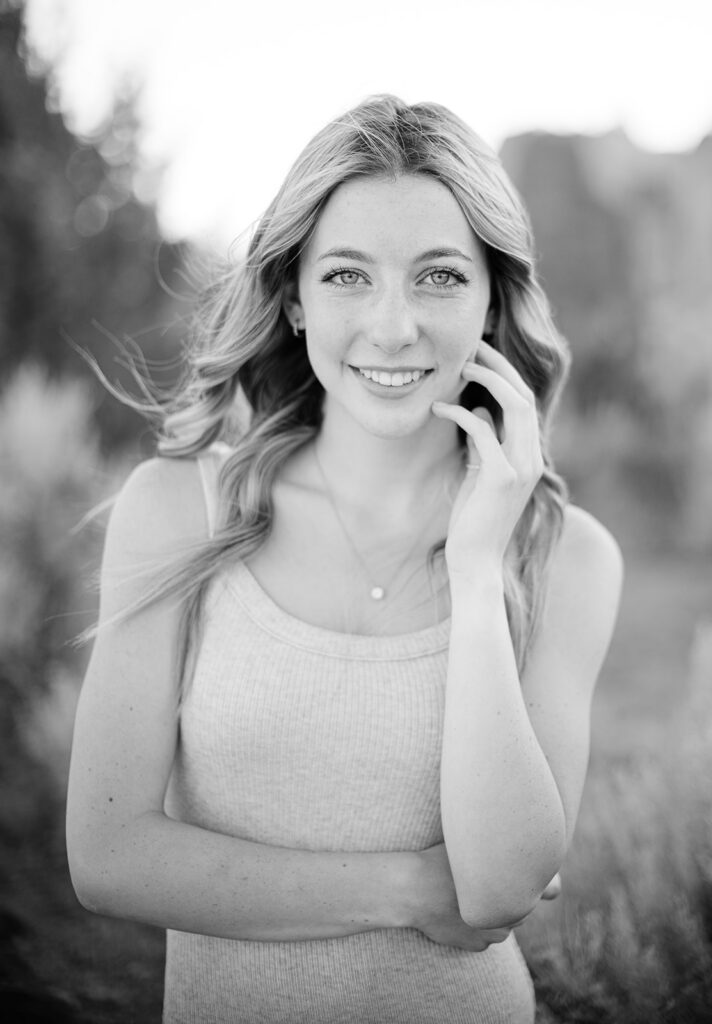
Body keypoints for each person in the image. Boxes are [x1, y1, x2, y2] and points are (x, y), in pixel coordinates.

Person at [66, 94, 623, 1024]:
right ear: (292, 297)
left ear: (493, 300)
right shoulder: (177, 512)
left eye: (441, 277)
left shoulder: (568, 557)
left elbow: (495, 891)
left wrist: (480, 568)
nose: (394, 327)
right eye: (348, 276)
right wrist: (402, 888)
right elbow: (108, 854)